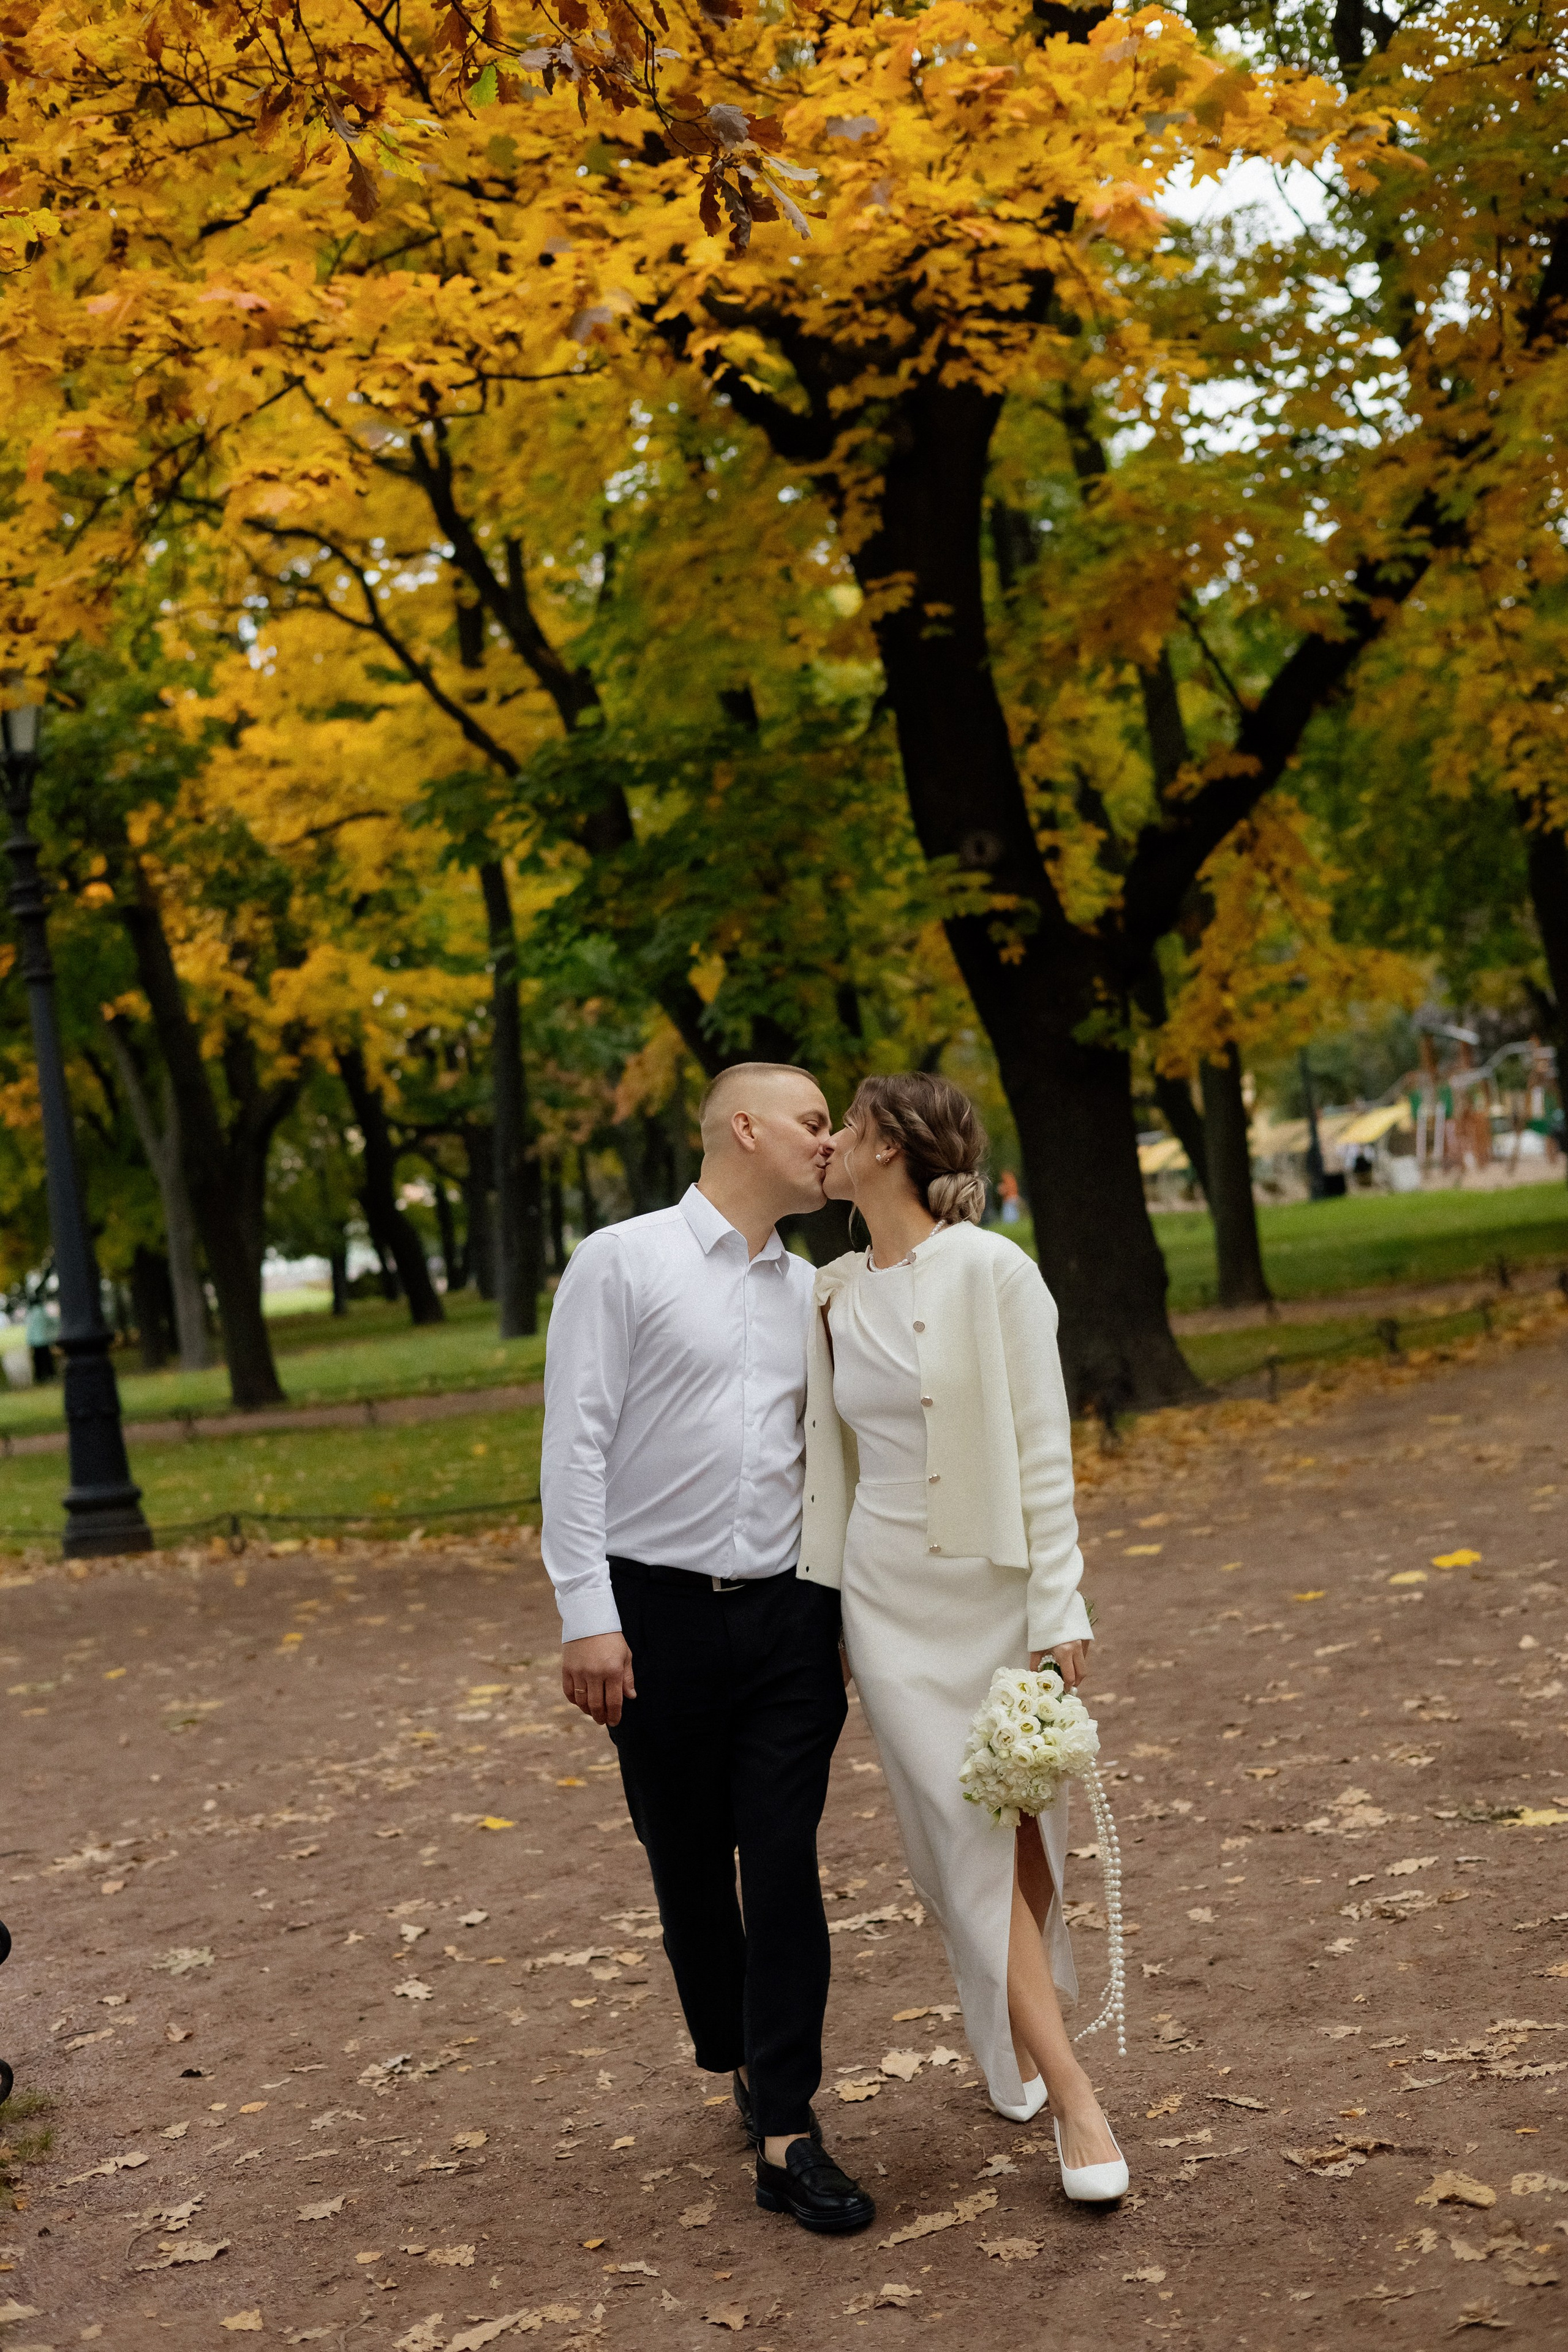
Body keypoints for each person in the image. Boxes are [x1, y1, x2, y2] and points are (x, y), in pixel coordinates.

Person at [540, 1062, 877, 2237]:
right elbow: (575, 1444)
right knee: (687, 1862)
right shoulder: (621, 1260)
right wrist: (588, 1612)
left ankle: (786, 2127)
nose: (830, 1143)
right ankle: (736, 2053)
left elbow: (833, 1456)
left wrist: (845, 1615)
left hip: (789, 1620)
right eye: (813, 1123)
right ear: (745, 1128)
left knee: (782, 1862)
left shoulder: (816, 1292)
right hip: (655, 1617)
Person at [800, 1071, 1128, 2204]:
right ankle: (1076, 2098)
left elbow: (1043, 1444)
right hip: (886, 1604)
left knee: (1023, 1834)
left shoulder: (994, 1269)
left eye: (844, 1126)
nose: (830, 1143)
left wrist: (1059, 1604)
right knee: (960, 1838)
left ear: (888, 1147)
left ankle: (1013, 2042)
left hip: (992, 1591)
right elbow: (827, 1462)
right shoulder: (829, 1295)